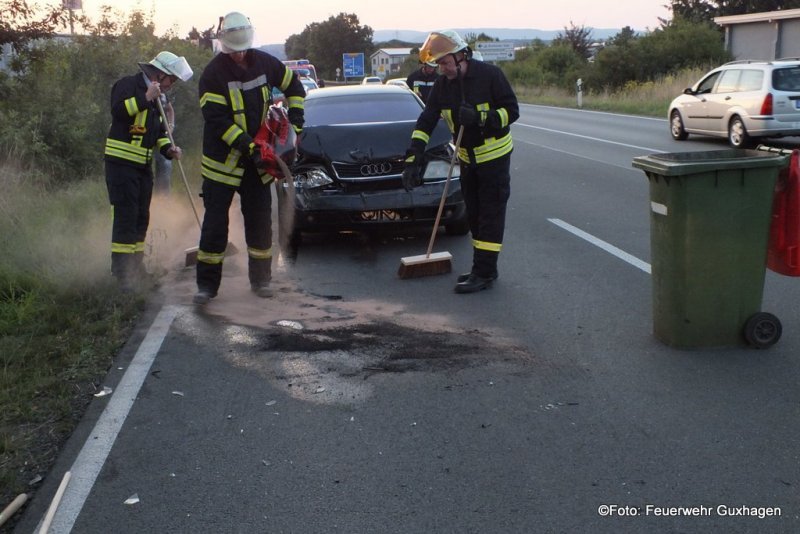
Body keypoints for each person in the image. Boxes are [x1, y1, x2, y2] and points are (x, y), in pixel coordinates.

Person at [193, 11, 305, 305]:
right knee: (215, 227)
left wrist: (295, 124)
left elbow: (294, 87)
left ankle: (261, 281)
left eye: (243, 48)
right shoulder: (212, 75)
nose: (240, 54)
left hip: (258, 164)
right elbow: (217, 121)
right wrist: (249, 146)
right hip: (222, 164)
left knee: (259, 223)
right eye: (234, 50)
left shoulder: (266, 63)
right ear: (224, 45)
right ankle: (207, 287)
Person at [402, 30, 519, 294]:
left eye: (445, 62)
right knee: (474, 216)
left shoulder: (490, 76)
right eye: (439, 64)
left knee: (490, 216)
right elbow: (426, 121)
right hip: (466, 159)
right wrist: (413, 157)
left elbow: (512, 111)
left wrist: (481, 118)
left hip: (494, 158)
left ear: (461, 56)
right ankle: (483, 268)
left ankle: (484, 272)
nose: (442, 69)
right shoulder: (443, 86)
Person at [104, 51, 193, 291]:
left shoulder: (159, 99)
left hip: (142, 168)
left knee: (141, 218)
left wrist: (169, 150)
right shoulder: (128, 85)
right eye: (171, 79)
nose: (171, 84)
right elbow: (118, 111)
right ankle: (123, 276)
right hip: (121, 165)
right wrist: (146, 97)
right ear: (159, 74)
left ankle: (136, 269)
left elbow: (158, 134)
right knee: (126, 218)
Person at [153, 93, 175, 195]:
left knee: (165, 164)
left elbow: (170, 109)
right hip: (145, 136)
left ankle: (163, 196)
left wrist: (171, 125)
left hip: (161, 136)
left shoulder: (163, 95)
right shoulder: (143, 91)